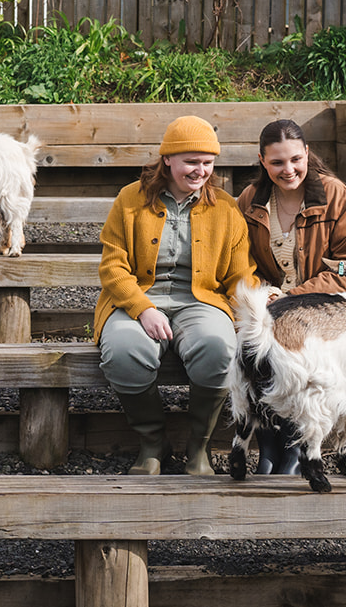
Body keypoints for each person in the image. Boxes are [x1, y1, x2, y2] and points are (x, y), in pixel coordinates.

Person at [95, 116, 256, 476]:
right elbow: (113, 267)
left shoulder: (226, 209)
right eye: (191, 162)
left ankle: (198, 447)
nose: (200, 171)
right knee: (124, 350)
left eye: (207, 163)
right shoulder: (130, 199)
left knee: (218, 347)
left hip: (201, 301)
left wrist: (257, 309)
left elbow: (239, 275)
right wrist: (141, 309)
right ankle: (153, 444)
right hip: (139, 298)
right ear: (167, 159)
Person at [234, 118, 346, 474]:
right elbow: (240, 258)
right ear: (262, 161)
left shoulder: (338, 197)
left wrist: (292, 297)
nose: (288, 169)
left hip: (323, 309)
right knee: (251, 345)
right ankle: (266, 445)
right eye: (277, 162)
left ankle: (297, 446)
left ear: (308, 153)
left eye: (296, 159)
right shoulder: (250, 201)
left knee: (302, 355)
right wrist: (261, 293)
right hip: (270, 303)